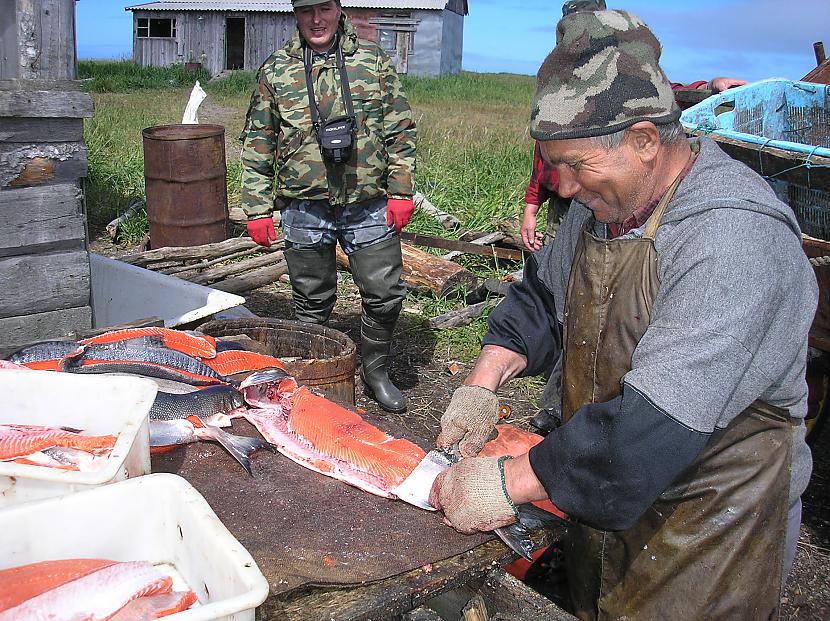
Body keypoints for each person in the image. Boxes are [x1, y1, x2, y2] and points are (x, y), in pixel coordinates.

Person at [430, 8, 816, 621]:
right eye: (553, 165)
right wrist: (483, 382)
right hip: (603, 490)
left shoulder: (733, 238)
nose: (561, 187)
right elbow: (538, 296)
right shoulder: (602, 210)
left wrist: (511, 482)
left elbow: (651, 427)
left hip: (707, 526)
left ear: (643, 140)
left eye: (575, 166)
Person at [240, 0, 417, 413]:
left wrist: (401, 191)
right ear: (296, 16)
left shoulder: (373, 61)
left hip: (367, 200)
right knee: (311, 301)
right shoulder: (276, 69)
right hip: (305, 204)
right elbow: (258, 142)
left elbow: (401, 128)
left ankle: (375, 372)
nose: (315, 20)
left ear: (339, 10)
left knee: (385, 293)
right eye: (306, 12)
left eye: (324, 9)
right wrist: (257, 208)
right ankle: (312, 377)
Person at [520, 2, 747, 252]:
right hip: (574, 203)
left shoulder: (624, 68)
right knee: (562, 251)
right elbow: (543, 156)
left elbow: (664, 97)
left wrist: (707, 87)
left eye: (588, 24)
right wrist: (532, 204)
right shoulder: (557, 82)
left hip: (596, 194)